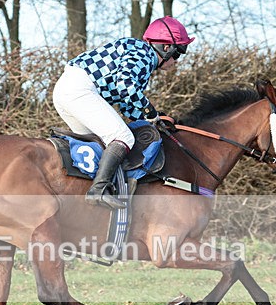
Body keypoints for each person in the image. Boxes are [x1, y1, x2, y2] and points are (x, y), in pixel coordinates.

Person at [53, 16, 195, 209]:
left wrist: (151, 121)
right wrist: (150, 111)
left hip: (67, 90)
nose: (176, 62)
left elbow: (126, 104)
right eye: (178, 54)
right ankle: (98, 191)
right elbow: (125, 86)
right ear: (166, 48)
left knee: (100, 147)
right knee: (123, 137)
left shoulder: (139, 53)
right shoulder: (144, 54)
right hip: (80, 90)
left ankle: (84, 198)